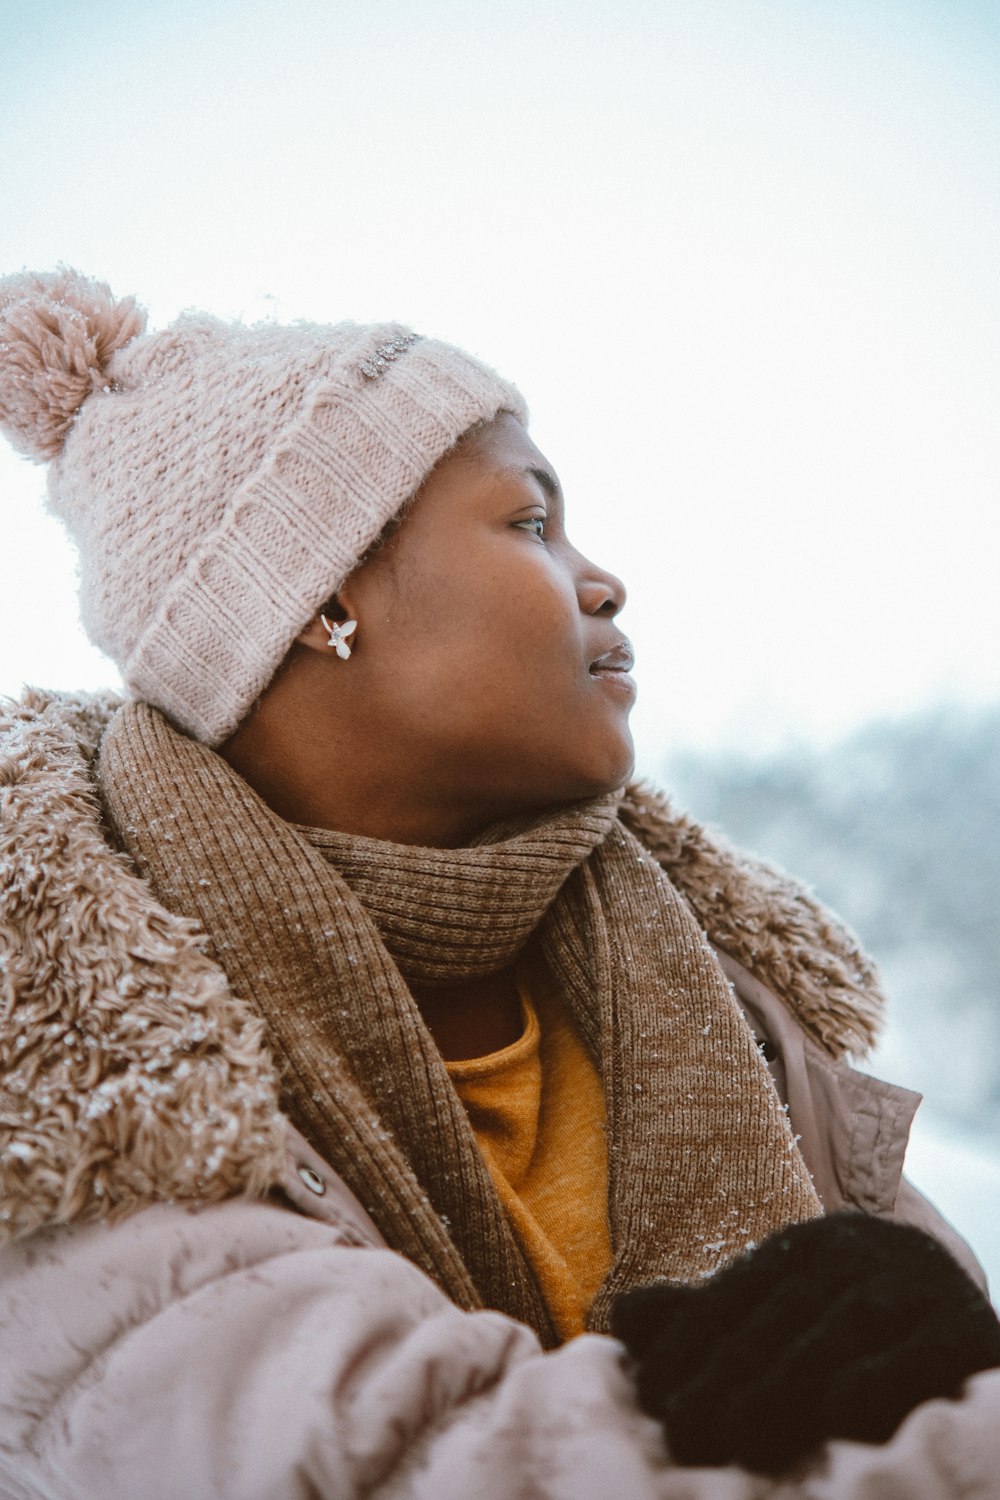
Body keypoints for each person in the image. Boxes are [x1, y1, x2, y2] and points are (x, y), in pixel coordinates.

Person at [1, 267, 998, 1498]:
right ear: (320, 598)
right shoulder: (81, 1067)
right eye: (530, 522)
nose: (604, 582)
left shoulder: (725, 1000)